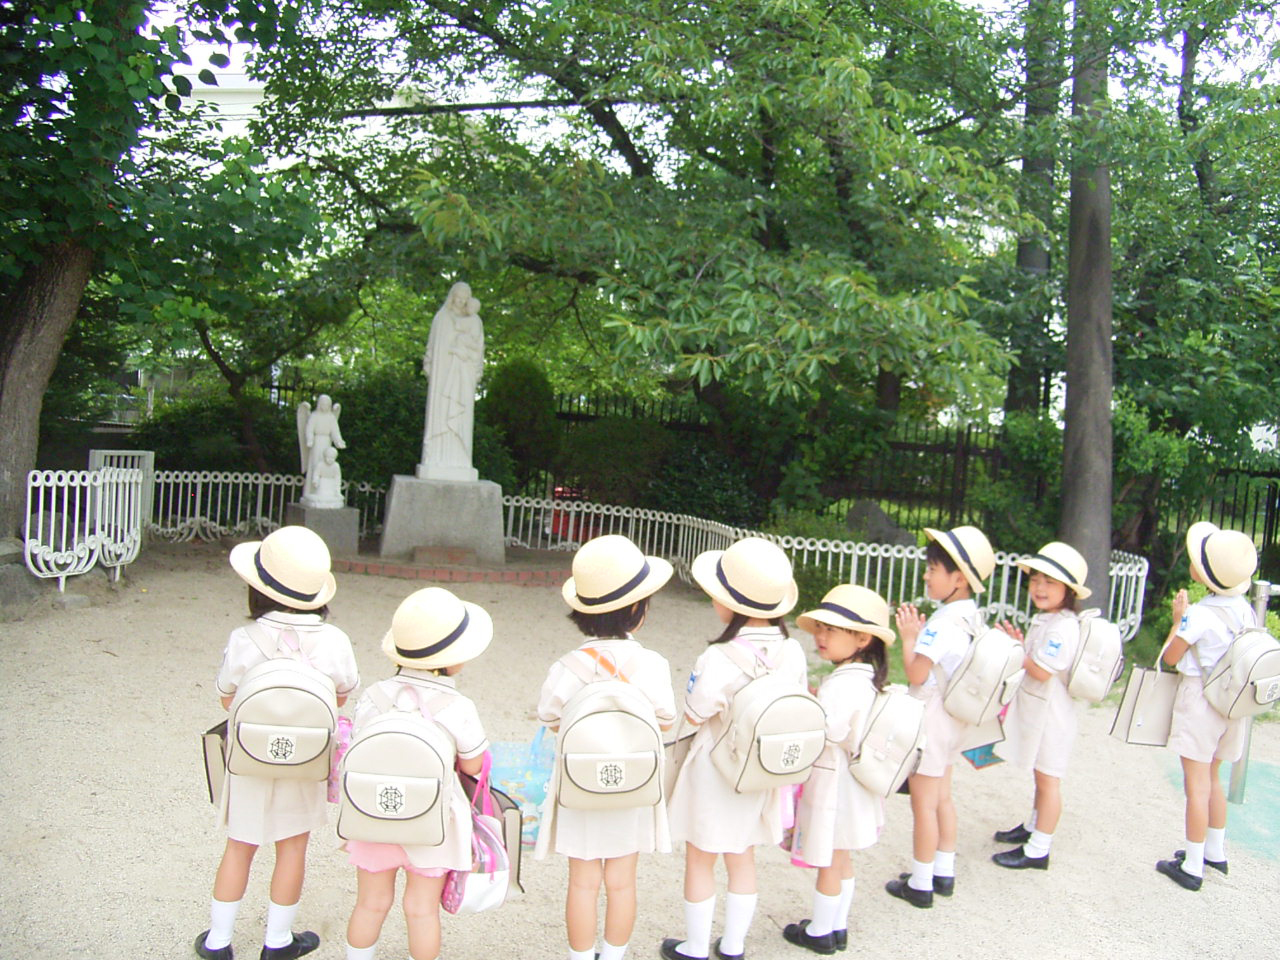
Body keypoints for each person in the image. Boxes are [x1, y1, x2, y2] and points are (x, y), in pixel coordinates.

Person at [197, 526, 360, 960]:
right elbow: (341, 695)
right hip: (305, 757)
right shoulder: (335, 641)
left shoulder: (243, 638)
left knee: (239, 844)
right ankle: (277, 941)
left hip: (250, 755)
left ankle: (218, 941)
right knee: (292, 847)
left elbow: (228, 697)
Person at [663, 537, 807, 960]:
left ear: (732, 605)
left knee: (701, 856)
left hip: (716, 767)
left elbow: (695, 711)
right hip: (760, 769)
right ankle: (734, 945)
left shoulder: (721, 655)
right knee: (742, 856)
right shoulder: (793, 651)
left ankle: (693, 946)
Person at [535, 535, 676, 960]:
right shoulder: (652, 665)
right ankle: (613, 956)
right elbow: (666, 720)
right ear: (639, 610)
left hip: (581, 785)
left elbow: (549, 717)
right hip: (632, 786)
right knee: (621, 881)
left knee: (582, 881)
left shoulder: (567, 666)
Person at [342, 586, 493, 960]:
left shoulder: (375, 695)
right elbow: (474, 765)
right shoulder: (457, 705)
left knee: (370, 903)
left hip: (374, 814)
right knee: (421, 910)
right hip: (434, 821)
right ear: (453, 659)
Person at [885, 525, 995, 908]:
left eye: (934, 569)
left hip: (932, 717)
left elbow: (916, 673)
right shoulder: (972, 617)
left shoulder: (943, 622)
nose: (927, 576)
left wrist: (910, 636)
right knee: (943, 797)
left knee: (923, 803)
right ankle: (942, 871)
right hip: (955, 718)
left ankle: (919, 883)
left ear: (959, 579)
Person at [783, 585, 895, 955]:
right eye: (820, 628)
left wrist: (808, 707)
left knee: (829, 860)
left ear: (862, 638)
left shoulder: (844, 684)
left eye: (831, 630)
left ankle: (819, 932)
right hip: (855, 784)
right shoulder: (867, 680)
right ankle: (837, 925)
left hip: (834, 784)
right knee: (842, 857)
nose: (820, 636)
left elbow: (828, 731)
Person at [1155, 522, 1258, 891]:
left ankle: (1193, 865)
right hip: (1231, 705)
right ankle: (1215, 851)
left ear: (1206, 574)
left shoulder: (1198, 614)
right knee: (1213, 778)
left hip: (1200, 702)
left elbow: (1170, 657)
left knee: (1195, 784)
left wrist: (1178, 620)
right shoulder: (1245, 610)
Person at [990, 542, 1091, 870]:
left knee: (1049, 780)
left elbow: (1041, 669)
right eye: (1035, 580)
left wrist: (1017, 648)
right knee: (1040, 774)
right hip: (1042, 712)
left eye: (1049, 583)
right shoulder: (1048, 620)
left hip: (1053, 717)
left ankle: (1039, 849)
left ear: (1068, 591)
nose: (1039, 588)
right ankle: (1034, 826)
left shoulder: (1063, 627)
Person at [419, 282, 483, 482]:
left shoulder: (475, 320)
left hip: (462, 375)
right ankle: (435, 457)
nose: (461, 302)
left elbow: (477, 349)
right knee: (441, 412)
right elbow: (434, 347)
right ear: (452, 296)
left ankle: (460, 457)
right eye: (458, 297)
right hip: (443, 378)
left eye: (465, 299)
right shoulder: (442, 318)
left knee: (460, 414)